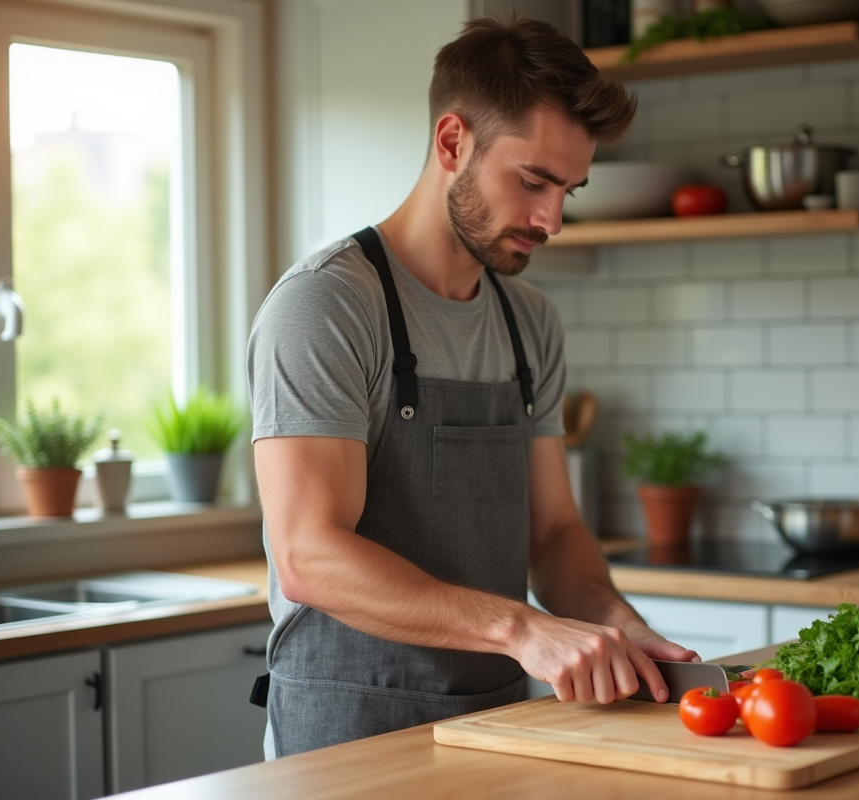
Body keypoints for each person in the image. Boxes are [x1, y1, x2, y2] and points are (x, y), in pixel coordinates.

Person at [247, 15, 700, 759]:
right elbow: (309, 554)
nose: (552, 218)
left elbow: (554, 532)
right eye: (533, 181)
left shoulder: (530, 322)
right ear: (453, 141)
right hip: (342, 747)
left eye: (569, 191)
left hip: (493, 730)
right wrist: (525, 629)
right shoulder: (325, 305)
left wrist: (616, 621)